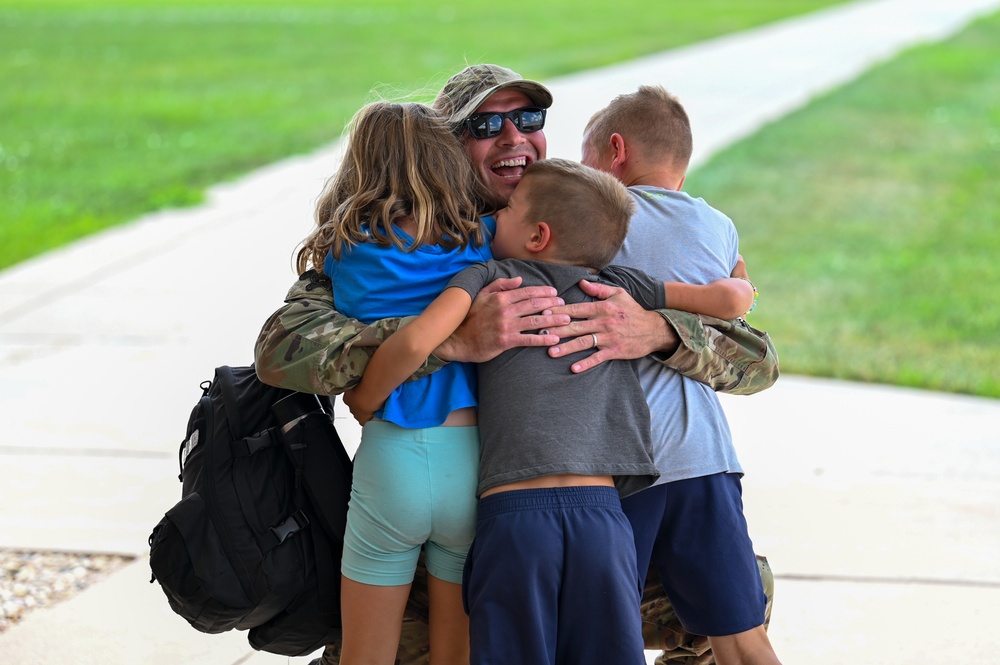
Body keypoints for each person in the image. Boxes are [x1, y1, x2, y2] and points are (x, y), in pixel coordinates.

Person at [254, 65, 779, 665]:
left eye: (529, 120)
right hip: (452, 528)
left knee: (739, 597)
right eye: (486, 125)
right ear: (447, 146)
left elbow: (756, 357)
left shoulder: (586, 217)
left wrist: (655, 330)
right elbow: (282, 348)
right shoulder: (407, 237)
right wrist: (450, 338)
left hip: (577, 518)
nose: (513, 138)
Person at [343, 157, 755, 665]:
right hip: (602, 520)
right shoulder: (620, 286)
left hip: (514, 521)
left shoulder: (488, 277)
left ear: (537, 235)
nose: (495, 217)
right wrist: (743, 287)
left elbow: (417, 340)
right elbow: (725, 301)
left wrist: (364, 399)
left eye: (509, 209)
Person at [581, 85, 781, 665]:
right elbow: (736, 312)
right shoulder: (719, 228)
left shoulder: (593, 222)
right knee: (742, 633)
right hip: (706, 459)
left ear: (615, 151)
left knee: (605, 637)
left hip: (620, 466)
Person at [300, 100, 492, 665]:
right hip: (471, 458)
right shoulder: (480, 243)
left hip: (390, 455)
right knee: (455, 655)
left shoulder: (343, 251)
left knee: (364, 655)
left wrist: (362, 397)